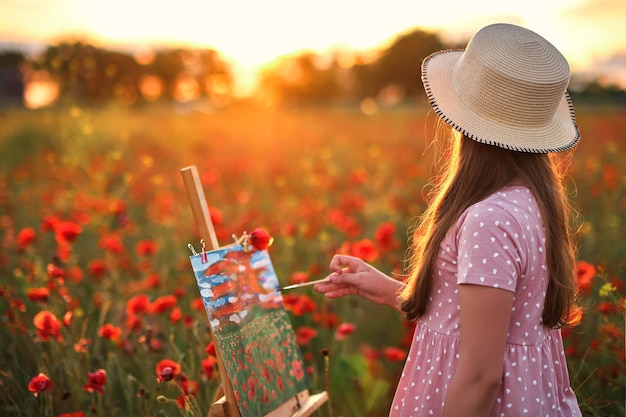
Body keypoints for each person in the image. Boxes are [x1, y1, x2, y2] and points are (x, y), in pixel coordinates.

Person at [314, 23, 583, 417]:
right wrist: (391, 290)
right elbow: (478, 316)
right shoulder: (530, 199)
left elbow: (480, 375)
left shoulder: (489, 219)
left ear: (463, 122)